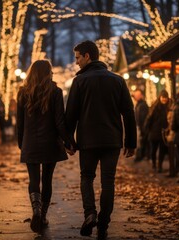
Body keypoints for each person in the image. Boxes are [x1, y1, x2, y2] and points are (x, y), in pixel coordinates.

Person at [65, 40, 137, 240]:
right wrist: (131, 142)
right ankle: (104, 223)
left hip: (88, 141)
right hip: (112, 140)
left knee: (86, 177)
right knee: (108, 182)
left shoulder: (79, 82)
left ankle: (90, 213)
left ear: (88, 56)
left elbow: (71, 114)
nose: (77, 62)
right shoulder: (118, 80)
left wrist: (69, 141)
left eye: (78, 57)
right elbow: (128, 113)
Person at [16, 59, 75, 233]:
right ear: (48, 73)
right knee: (47, 180)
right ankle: (42, 216)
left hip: (30, 143)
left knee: (33, 179)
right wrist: (68, 142)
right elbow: (59, 122)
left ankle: (35, 210)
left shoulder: (23, 92)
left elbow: (20, 123)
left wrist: (22, 144)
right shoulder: (55, 92)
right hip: (50, 143)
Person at [144, 89, 172, 173]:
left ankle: (159, 166)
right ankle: (153, 163)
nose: (164, 99)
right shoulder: (155, 107)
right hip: (154, 132)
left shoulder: (169, 107)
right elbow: (149, 118)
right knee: (154, 149)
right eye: (163, 97)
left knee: (162, 150)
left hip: (164, 132)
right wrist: (147, 129)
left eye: (166, 98)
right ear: (160, 97)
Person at [132, 89, 149, 162]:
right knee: (139, 142)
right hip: (139, 126)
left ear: (141, 95)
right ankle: (140, 155)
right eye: (135, 95)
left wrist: (142, 128)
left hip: (141, 127)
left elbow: (143, 118)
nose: (135, 97)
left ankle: (140, 156)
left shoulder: (143, 105)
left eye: (137, 95)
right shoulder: (138, 104)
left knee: (140, 142)